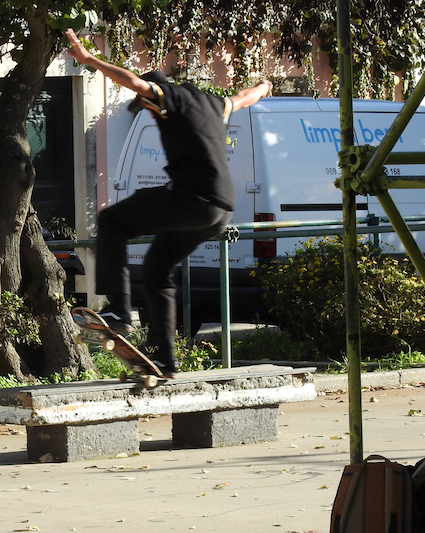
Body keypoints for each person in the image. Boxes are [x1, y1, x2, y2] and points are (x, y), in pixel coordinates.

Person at [65, 28, 273, 376]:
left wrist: (89, 60)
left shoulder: (167, 98)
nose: (146, 112)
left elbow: (134, 81)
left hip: (192, 200)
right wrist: (265, 86)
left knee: (112, 221)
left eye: (145, 108)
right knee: (159, 268)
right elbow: (244, 98)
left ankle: (118, 310)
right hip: (219, 211)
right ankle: (165, 358)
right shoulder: (214, 104)